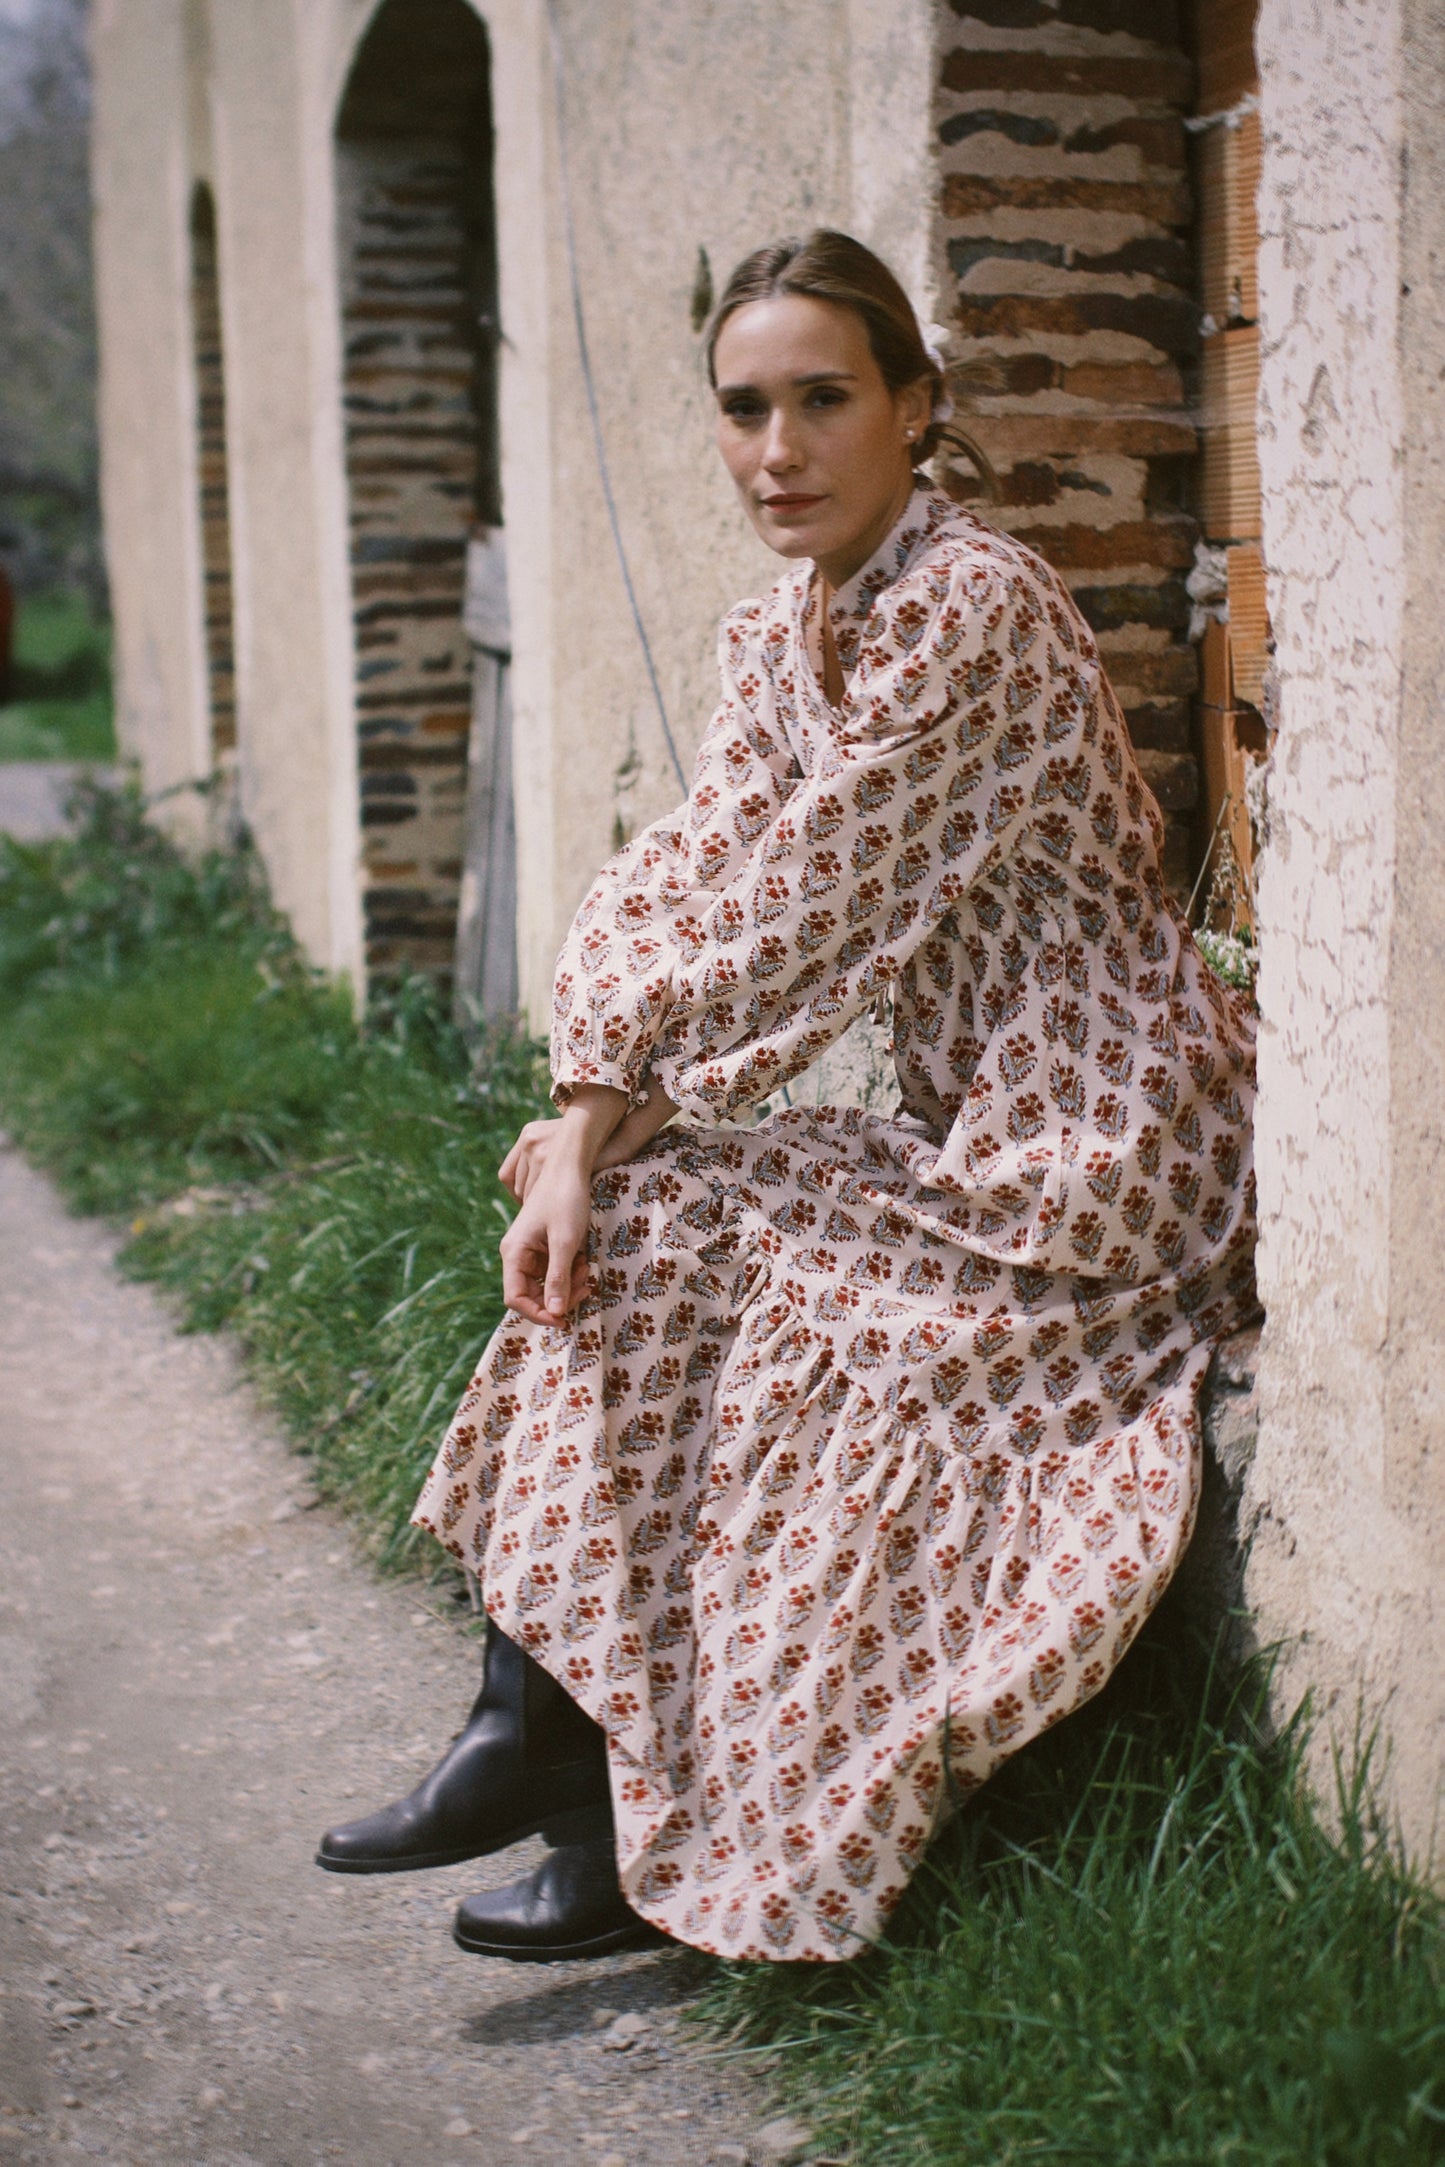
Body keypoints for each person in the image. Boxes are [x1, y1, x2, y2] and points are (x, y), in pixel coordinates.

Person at [316, 230, 1258, 1966]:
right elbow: (684, 871)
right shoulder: (781, 628)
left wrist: (598, 1116)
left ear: (915, 405)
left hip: (1099, 1144)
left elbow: (802, 903)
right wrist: (600, 1107)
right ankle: (564, 1773)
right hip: (958, 1127)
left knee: (707, 1259)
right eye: (743, 408)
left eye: (823, 399)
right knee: (649, 1235)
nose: (778, 448)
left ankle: (568, 1772)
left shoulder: (971, 603)